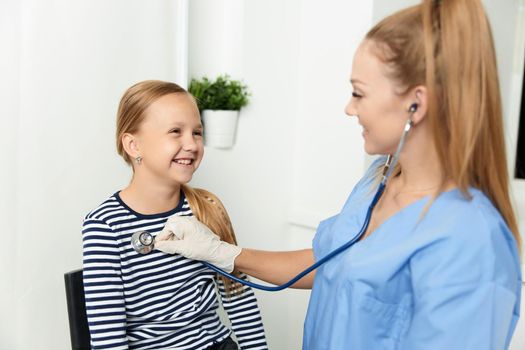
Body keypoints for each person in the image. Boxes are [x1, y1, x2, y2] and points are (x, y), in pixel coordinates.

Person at [153, 0, 523, 349]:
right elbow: (328, 265)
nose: (349, 108)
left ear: (416, 103)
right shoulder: (377, 182)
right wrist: (222, 253)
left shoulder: (471, 243)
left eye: (358, 93)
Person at [82, 80, 268, 350]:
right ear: (134, 146)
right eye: (175, 132)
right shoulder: (104, 226)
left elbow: (238, 297)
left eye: (197, 133)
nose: (191, 144)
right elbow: (108, 339)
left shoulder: (205, 207)